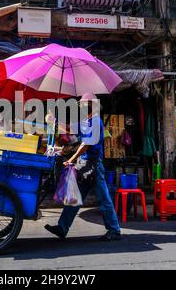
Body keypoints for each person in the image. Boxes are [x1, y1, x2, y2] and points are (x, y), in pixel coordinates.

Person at [45, 93, 122, 241]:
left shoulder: (95, 121)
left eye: (83, 104)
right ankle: (62, 227)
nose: (81, 106)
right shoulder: (86, 121)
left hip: (94, 166)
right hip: (85, 166)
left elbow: (85, 144)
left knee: (104, 198)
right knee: (75, 198)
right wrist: (54, 121)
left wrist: (71, 160)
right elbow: (69, 129)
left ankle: (114, 230)